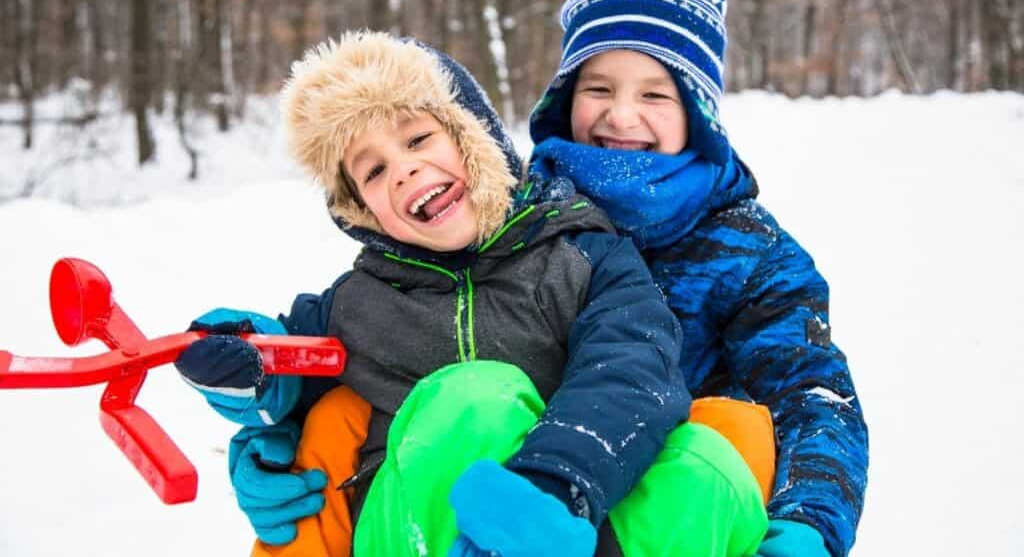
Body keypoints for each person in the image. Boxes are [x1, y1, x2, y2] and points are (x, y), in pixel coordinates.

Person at [175, 31, 771, 557]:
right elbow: (297, 359)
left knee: (708, 464)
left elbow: (632, 367)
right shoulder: (359, 300)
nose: (403, 170)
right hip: (409, 529)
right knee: (478, 396)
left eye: (417, 139)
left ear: (473, 137)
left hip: (558, 521)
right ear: (361, 210)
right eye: (374, 171)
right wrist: (249, 362)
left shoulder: (582, 255)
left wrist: (558, 481)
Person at [528, 0, 869, 557]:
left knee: (732, 426)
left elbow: (812, 394)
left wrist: (810, 521)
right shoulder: (521, 218)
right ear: (563, 101)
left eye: (656, 95)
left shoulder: (750, 252)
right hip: (538, 500)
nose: (620, 114)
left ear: (700, 113)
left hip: (681, 513)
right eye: (597, 86)